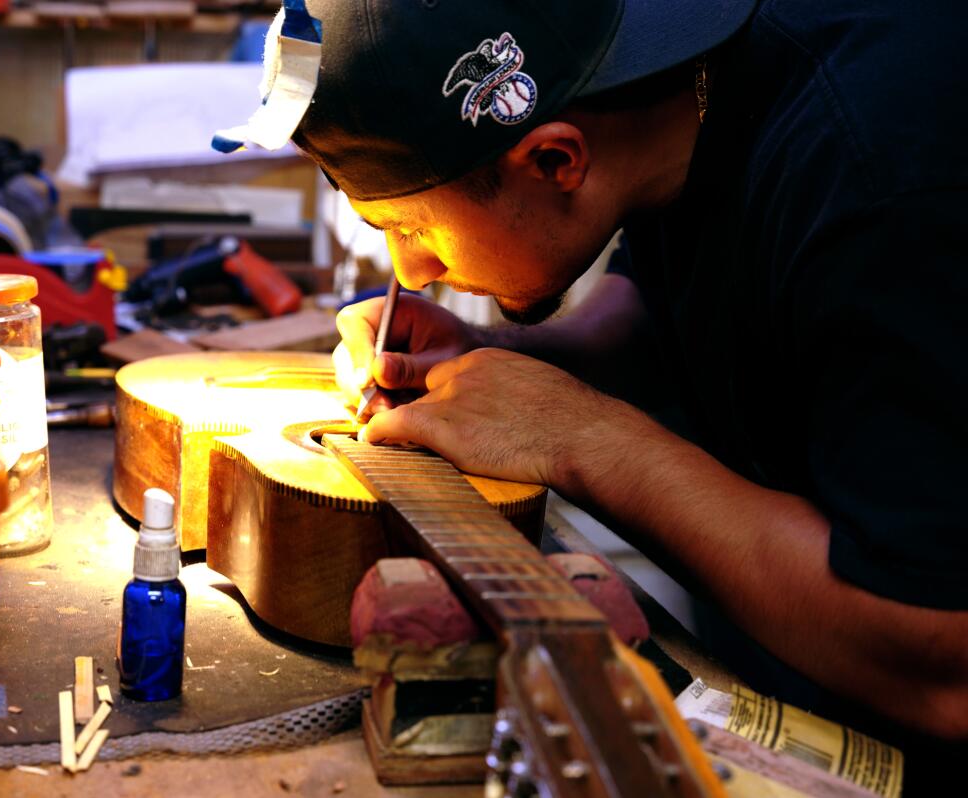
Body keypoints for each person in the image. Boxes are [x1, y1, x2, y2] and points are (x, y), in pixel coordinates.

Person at [263, 0, 968, 788]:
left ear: (559, 162)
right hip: (776, 681)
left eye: (412, 228)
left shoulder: (885, 193)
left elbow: (941, 661)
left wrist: (580, 437)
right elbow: (672, 305)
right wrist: (496, 357)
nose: (410, 273)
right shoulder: (668, 97)